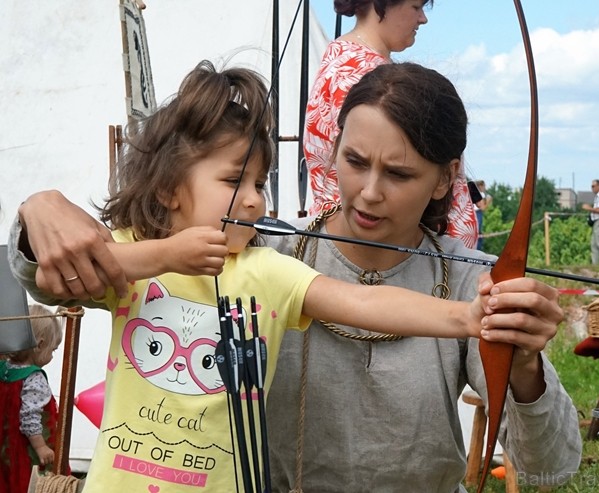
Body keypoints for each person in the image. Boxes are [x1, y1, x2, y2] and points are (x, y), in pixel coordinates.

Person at [6, 60, 566, 493]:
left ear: (446, 180)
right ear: (331, 152)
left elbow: (551, 465)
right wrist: (38, 210)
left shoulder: (475, 283)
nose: (369, 192)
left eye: (399, 173)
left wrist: (513, 352)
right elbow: (47, 276)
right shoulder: (259, 247)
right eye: (354, 162)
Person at [304, 0, 479, 249]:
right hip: (374, 252)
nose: (422, 19)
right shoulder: (364, 76)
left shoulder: (344, 59)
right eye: (416, 6)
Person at [0, 304, 63, 493]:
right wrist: (41, 447)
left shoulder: (4, 370)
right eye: (53, 349)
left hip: (4, 447)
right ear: (41, 344)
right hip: (25, 451)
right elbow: (29, 417)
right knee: (26, 485)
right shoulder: (34, 378)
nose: (51, 355)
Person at [472, 179, 492, 250]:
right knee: (478, 234)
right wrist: (488, 201)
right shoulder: (480, 194)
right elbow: (483, 207)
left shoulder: (472, 193)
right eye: (484, 186)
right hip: (477, 213)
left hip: (472, 213)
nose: (484, 188)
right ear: (480, 186)